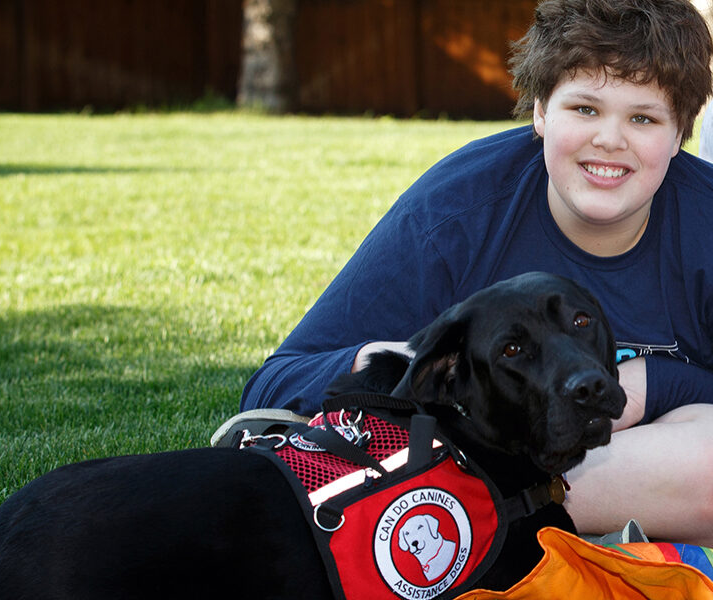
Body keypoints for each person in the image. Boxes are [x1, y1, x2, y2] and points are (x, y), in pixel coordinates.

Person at [240, 0, 713, 546]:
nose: (609, 139)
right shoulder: (456, 212)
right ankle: (484, 525)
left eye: (643, 118)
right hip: (469, 460)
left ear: (681, 131)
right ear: (540, 111)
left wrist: (655, 385)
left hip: (642, 462)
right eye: (584, 108)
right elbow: (274, 383)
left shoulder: (702, 222)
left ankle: (483, 530)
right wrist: (417, 367)